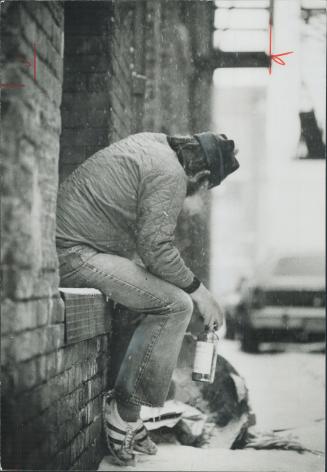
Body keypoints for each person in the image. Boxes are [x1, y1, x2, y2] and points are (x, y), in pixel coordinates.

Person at [56, 131, 239, 465]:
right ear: (202, 176)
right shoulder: (170, 174)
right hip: (74, 253)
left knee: (154, 297)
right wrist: (201, 292)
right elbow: (156, 248)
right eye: (204, 189)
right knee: (176, 304)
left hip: (76, 245)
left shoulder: (154, 144)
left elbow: (145, 243)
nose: (196, 197)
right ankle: (124, 413)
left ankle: (128, 410)